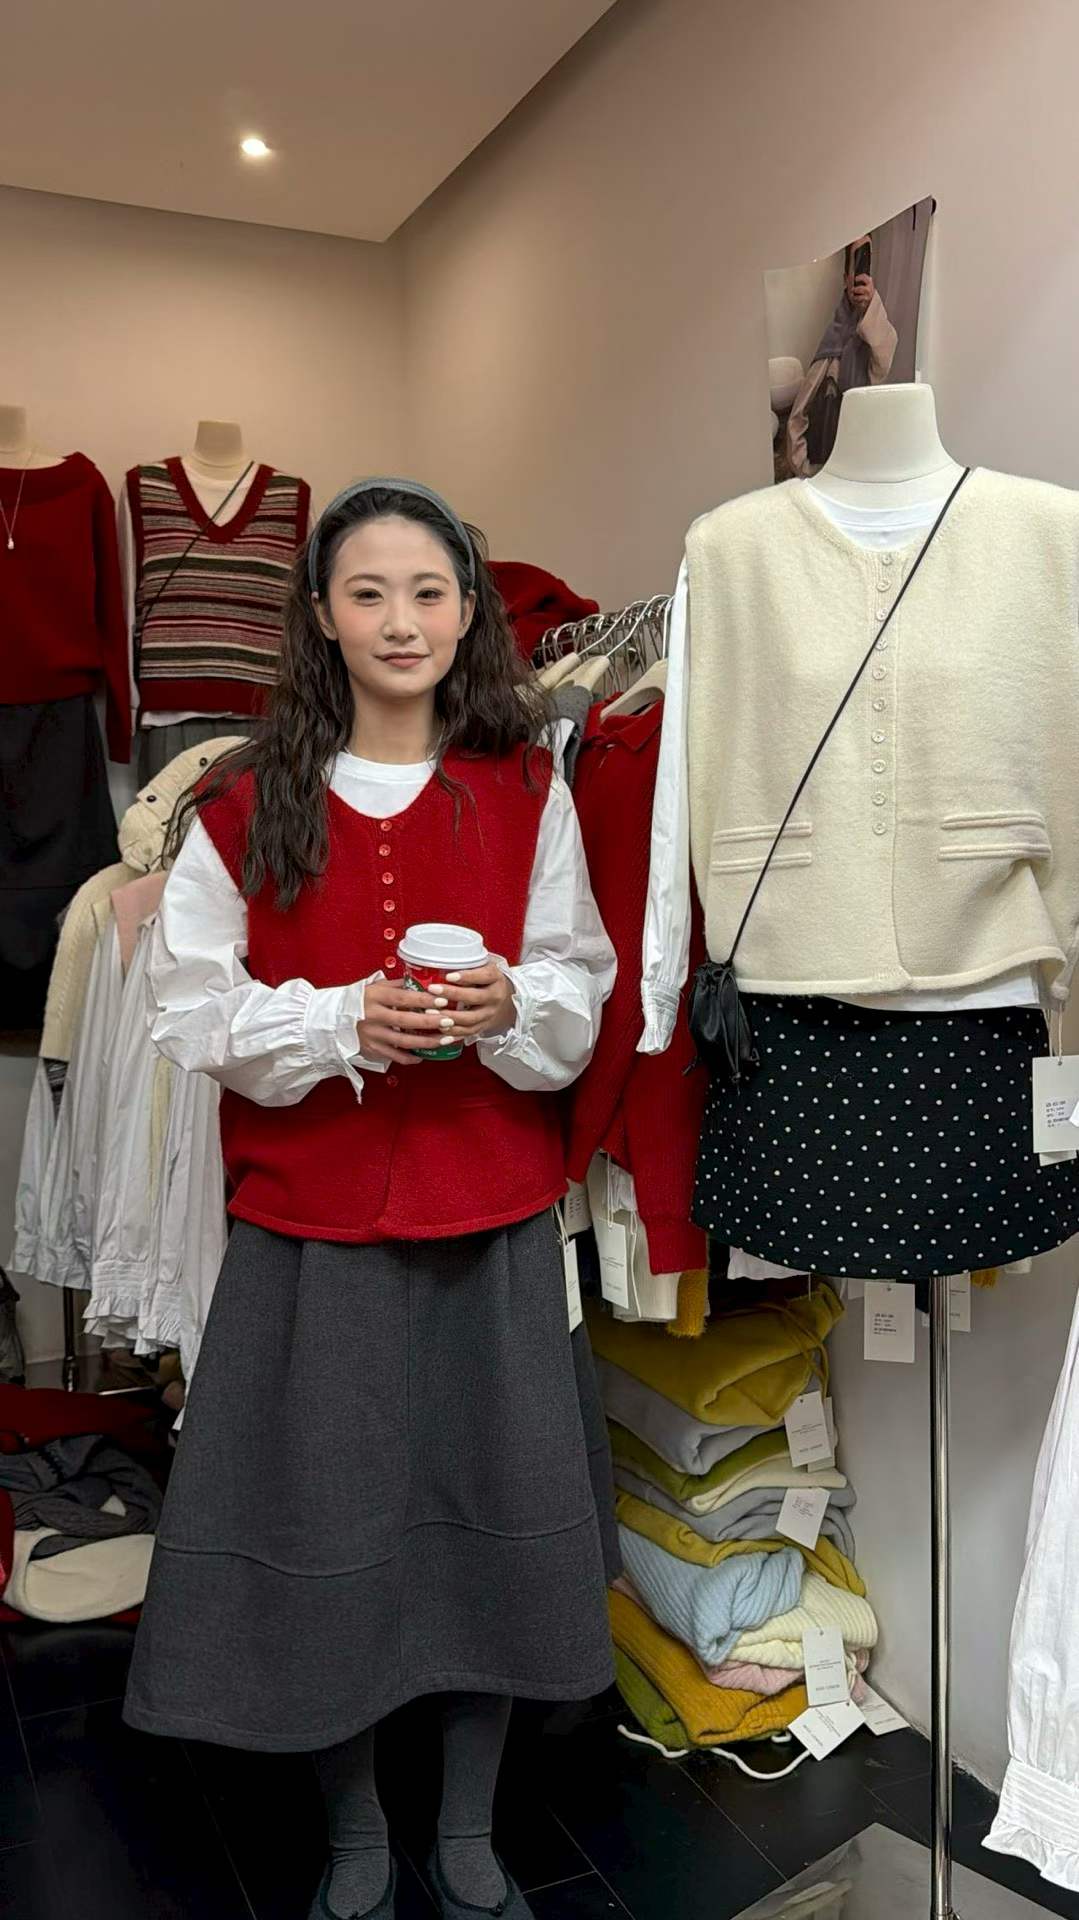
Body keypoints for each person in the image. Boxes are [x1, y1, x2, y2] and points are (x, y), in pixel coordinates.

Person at [122, 478, 619, 1920]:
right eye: (367, 592)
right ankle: (351, 1831)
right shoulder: (238, 804)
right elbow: (189, 1012)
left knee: (494, 1525)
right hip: (311, 1231)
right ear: (322, 617)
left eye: (427, 592)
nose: (400, 619)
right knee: (321, 1530)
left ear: (466, 614)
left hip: (490, 1222)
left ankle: (463, 1828)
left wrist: (510, 1005)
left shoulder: (527, 791)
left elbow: (578, 987)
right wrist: (340, 1020)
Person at [786, 235, 898, 476]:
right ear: (846, 277)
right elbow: (800, 412)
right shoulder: (834, 338)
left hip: (863, 464)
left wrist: (870, 306)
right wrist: (805, 470)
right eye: (857, 262)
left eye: (866, 261)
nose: (860, 274)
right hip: (825, 468)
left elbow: (885, 358)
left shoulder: (879, 334)